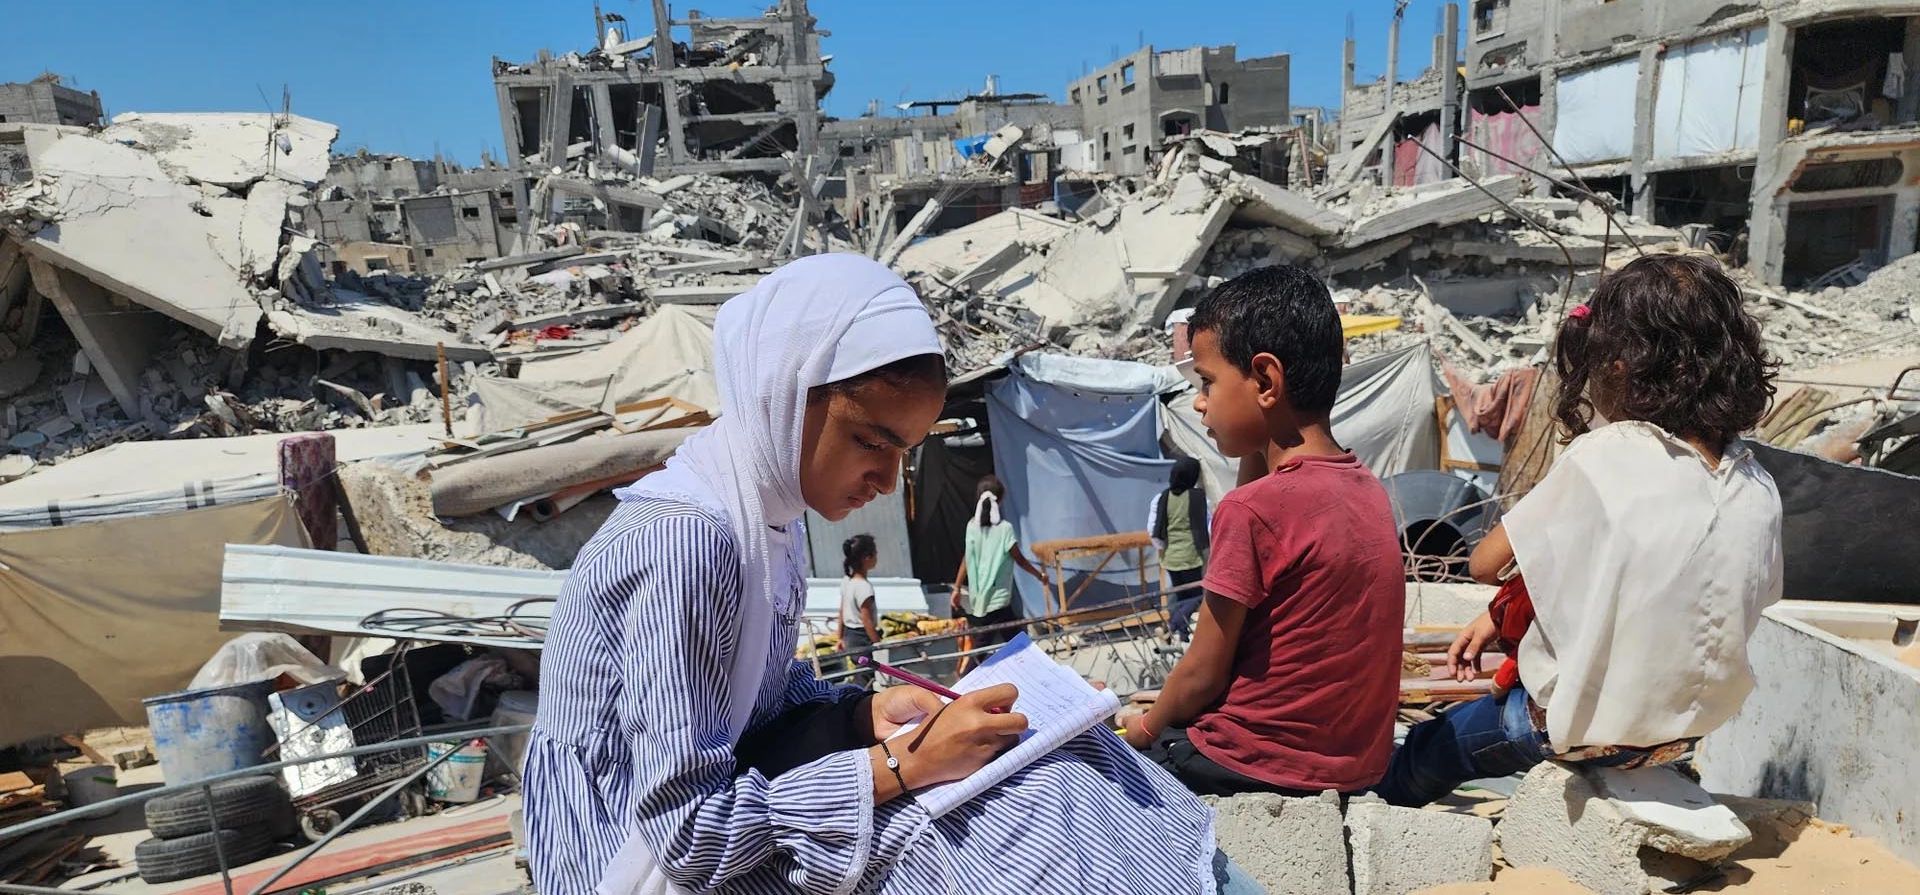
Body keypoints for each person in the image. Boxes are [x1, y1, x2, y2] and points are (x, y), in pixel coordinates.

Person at [524, 255, 1222, 895]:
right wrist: (900, 767)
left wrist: (863, 714)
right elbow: (687, 835)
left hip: (719, 817)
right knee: (1003, 822)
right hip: (626, 859)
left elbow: (755, 698)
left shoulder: (761, 518)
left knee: (1061, 763)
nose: (887, 481)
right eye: (870, 442)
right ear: (784, 393)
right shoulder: (689, 542)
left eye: (904, 453)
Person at [1373, 253, 1784, 807]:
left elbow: (1483, 564)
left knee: (1426, 751)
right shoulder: (1757, 484)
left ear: (1618, 366)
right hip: (1686, 733)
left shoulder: (1609, 454)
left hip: (1578, 729)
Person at [1120, 265, 1406, 799]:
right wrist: (1256, 437)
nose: (1199, 403)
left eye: (1207, 382)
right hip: (1357, 767)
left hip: (1255, 762)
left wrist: (1145, 728)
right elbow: (1270, 478)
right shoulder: (1366, 488)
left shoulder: (1252, 511)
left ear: (1267, 381)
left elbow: (1202, 675)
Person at [950, 475, 1048, 657]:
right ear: (1000, 500)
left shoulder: (972, 527)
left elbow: (967, 558)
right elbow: (1019, 559)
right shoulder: (1004, 529)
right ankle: (969, 672)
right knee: (988, 644)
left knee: (1010, 640)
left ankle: (1027, 663)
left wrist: (956, 588)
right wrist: (1039, 575)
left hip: (981, 596)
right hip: (998, 597)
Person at [1147, 457, 1210, 641]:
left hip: (1170, 558)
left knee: (1182, 596)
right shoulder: (1199, 498)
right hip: (1192, 556)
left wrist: (1162, 548)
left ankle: (1183, 636)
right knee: (1196, 597)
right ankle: (1171, 626)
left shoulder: (1162, 498)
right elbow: (1209, 527)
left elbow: (1153, 529)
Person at [838, 534, 882, 687]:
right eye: (875, 553)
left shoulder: (847, 582)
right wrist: (878, 644)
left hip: (849, 635)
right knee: (866, 676)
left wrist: (840, 637)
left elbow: (841, 611)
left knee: (859, 673)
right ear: (867, 558)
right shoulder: (864, 587)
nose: (876, 557)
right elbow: (866, 620)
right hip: (862, 637)